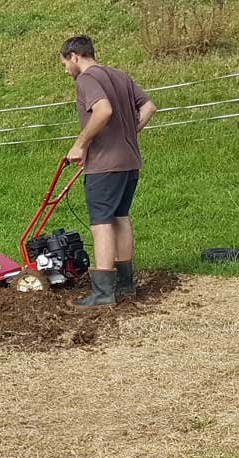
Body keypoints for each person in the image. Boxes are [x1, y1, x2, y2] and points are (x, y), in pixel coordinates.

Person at [59, 35, 158, 309]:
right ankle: (126, 286)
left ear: (74, 56)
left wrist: (80, 145)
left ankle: (103, 294)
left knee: (100, 223)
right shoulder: (119, 75)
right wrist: (129, 134)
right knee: (120, 217)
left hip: (104, 165)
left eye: (65, 64)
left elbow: (103, 110)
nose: (66, 71)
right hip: (129, 162)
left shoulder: (86, 80)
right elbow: (149, 107)